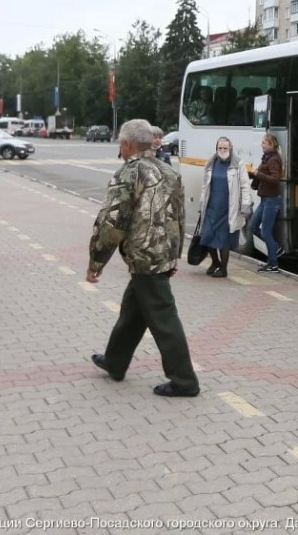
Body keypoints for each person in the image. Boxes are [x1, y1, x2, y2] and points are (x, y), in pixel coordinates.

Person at [88, 119, 199, 398]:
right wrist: (174, 256)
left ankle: (184, 380)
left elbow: (112, 221)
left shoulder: (129, 172)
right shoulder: (168, 170)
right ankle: (115, 361)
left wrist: (96, 262)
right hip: (159, 255)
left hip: (144, 258)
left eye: (119, 144)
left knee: (163, 319)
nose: (119, 149)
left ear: (127, 144)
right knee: (132, 312)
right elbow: (179, 217)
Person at [195, 136, 252, 278]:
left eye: (225, 148)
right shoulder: (210, 163)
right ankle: (215, 262)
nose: (222, 150)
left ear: (230, 148)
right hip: (211, 207)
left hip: (228, 209)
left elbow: (245, 186)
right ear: (216, 149)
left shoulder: (238, 164)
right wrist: (202, 204)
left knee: (223, 239)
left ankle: (224, 269)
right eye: (220, 148)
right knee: (207, 236)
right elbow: (205, 186)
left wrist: (245, 206)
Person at [247, 133, 284, 273]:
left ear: (271, 144)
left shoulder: (274, 159)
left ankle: (273, 263)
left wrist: (258, 174)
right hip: (264, 199)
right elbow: (261, 174)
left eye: (264, 143)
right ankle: (275, 248)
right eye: (262, 142)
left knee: (265, 230)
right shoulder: (266, 158)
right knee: (252, 226)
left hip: (271, 199)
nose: (262, 145)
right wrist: (250, 174)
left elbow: (275, 179)